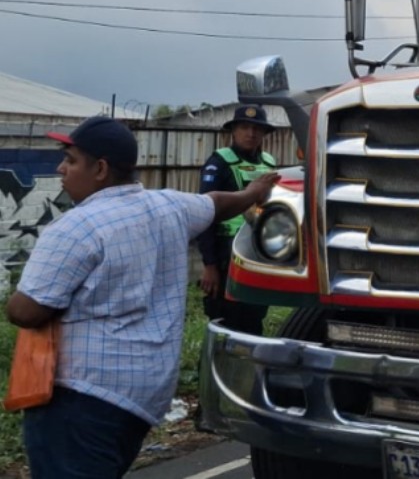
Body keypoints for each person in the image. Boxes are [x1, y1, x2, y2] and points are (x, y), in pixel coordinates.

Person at [5, 115, 279, 479]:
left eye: (70, 160)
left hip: (82, 393)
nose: (61, 169)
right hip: (142, 395)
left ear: (100, 168)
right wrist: (252, 194)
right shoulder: (168, 207)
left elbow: (26, 311)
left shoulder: (73, 228)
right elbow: (216, 203)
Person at [196, 104, 276, 335]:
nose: (250, 134)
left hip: (258, 249)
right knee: (225, 317)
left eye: (256, 129)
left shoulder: (269, 163)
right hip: (226, 252)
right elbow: (205, 214)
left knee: (254, 312)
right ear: (233, 131)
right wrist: (209, 265)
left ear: (264, 133)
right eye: (244, 127)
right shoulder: (219, 162)